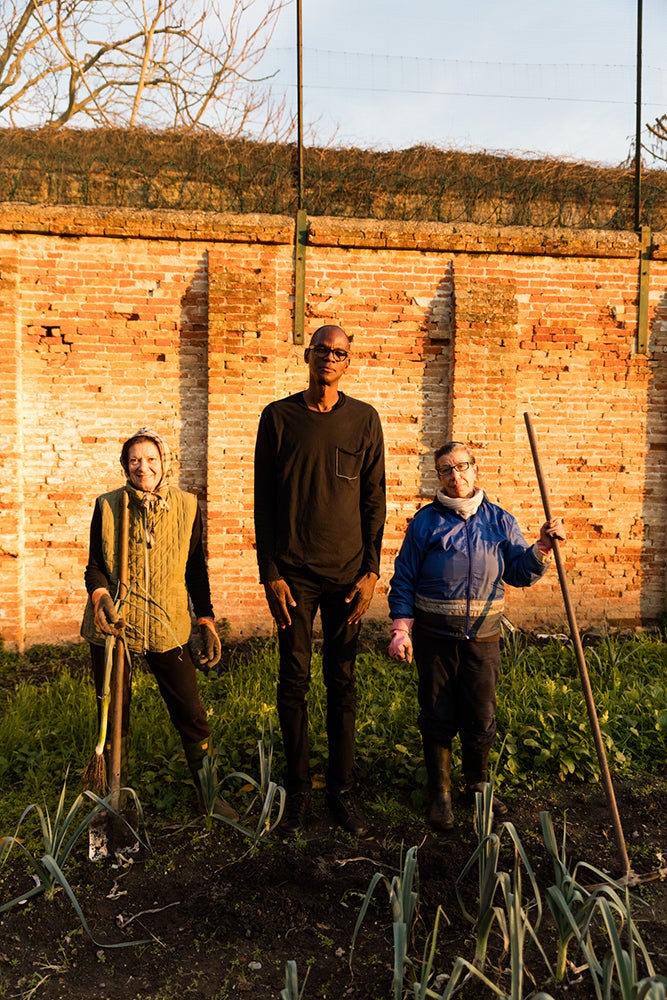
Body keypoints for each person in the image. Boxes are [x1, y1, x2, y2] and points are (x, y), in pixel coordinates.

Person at [387, 441, 565, 831]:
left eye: (462, 466)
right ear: (439, 477)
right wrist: (402, 629)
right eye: (446, 470)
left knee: (481, 714)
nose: (456, 475)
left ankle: (478, 787)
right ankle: (441, 796)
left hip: (484, 637)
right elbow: (403, 579)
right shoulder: (425, 523)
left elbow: (518, 573)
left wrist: (543, 547)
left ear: (475, 469)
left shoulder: (499, 520)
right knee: (436, 714)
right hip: (435, 638)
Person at [254, 325, 386, 836]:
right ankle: (299, 792)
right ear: (307, 356)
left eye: (340, 353)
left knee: (343, 681)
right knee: (294, 682)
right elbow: (264, 502)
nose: (330, 358)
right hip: (294, 577)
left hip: (349, 576)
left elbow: (374, 500)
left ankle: (341, 789)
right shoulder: (278, 418)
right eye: (322, 350)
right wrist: (271, 573)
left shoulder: (364, 420)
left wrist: (372, 572)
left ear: (348, 363)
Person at [81, 427, 237, 821]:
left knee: (191, 712)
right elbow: (94, 568)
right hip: (114, 628)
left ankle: (208, 795)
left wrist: (205, 618)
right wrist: (101, 600)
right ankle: (113, 799)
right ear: (124, 465)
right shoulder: (108, 506)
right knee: (115, 716)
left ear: (164, 463)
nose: (142, 467)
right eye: (134, 460)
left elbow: (195, 569)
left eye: (151, 459)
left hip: (167, 624)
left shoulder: (186, 506)